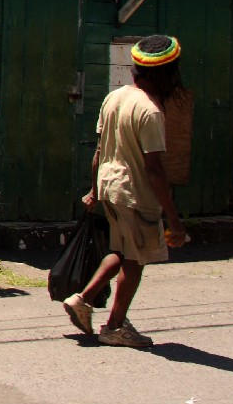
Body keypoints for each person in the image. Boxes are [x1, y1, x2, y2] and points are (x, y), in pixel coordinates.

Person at [62, 34, 190, 348]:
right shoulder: (150, 111)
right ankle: (114, 327)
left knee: (122, 251)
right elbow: (154, 170)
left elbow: (98, 151)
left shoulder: (114, 97)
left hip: (111, 187)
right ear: (165, 74)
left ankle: (82, 299)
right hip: (135, 194)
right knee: (135, 261)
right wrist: (174, 220)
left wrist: (94, 190)